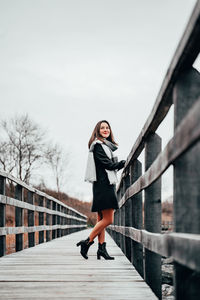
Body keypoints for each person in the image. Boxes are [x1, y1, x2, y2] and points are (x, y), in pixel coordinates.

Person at [76, 120, 126, 260]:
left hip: (102, 184)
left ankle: (101, 248)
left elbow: (107, 164)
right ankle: (87, 242)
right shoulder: (98, 146)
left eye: (107, 127)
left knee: (101, 219)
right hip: (104, 186)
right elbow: (108, 164)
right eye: (102, 128)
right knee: (109, 219)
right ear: (97, 131)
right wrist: (123, 163)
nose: (105, 129)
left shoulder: (105, 146)